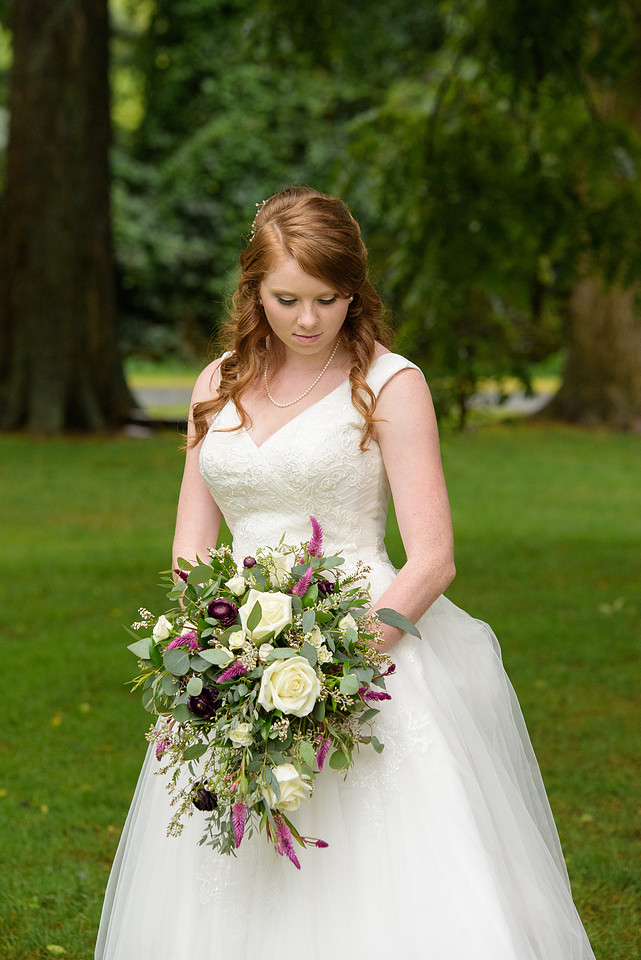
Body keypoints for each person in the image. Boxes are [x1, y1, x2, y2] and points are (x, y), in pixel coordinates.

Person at [96, 187, 596, 959]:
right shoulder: (215, 384)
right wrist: (217, 661)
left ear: (353, 291)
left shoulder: (390, 384)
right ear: (253, 289)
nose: (307, 319)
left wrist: (334, 670)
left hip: (366, 647)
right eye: (286, 299)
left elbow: (433, 558)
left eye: (327, 299)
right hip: (234, 655)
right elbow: (191, 549)